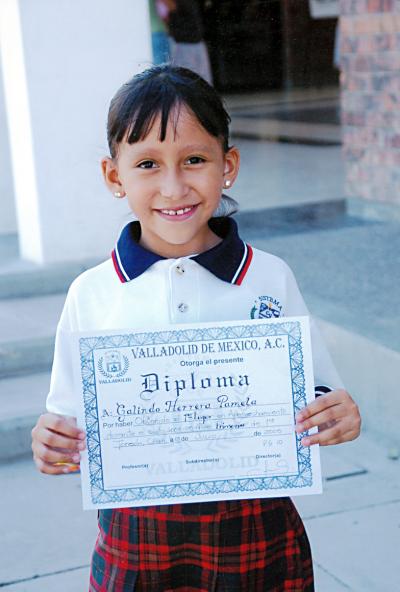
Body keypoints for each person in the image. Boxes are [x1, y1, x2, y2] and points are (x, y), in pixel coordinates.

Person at [31, 65, 361, 591]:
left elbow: (318, 393)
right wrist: (53, 440)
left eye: (194, 160)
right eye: (146, 163)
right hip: (138, 536)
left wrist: (338, 414)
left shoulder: (269, 277)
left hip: (255, 527)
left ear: (227, 165)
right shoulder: (91, 294)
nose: (173, 186)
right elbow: (67, 416)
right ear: (114, 176)